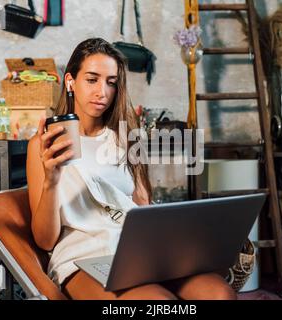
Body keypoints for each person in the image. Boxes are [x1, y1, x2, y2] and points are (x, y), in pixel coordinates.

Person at [26, 38, 237, 300]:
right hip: (83, 256)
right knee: (158, 302)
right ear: (70, 81)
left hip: (135, 251)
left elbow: (143, 208)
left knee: (219, 294)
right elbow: (45, 241)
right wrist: (51, 180)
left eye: (111, 82)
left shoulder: (125, 138)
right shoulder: (43, 144)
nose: (102, 92)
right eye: (92, 80)